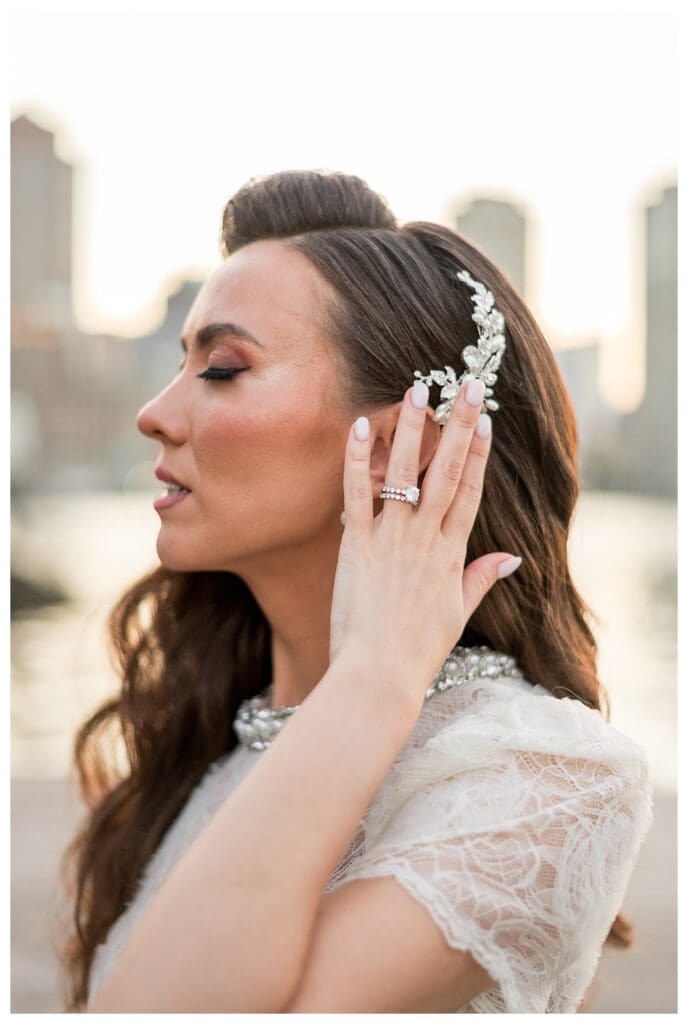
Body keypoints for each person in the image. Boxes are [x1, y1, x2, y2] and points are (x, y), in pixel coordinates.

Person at [58, 170, 653, 1013]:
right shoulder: (213, 746)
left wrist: (375, 678)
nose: (155, 412)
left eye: (222, 369)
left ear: (398, 443)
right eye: (177, 365)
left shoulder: (548, 778)